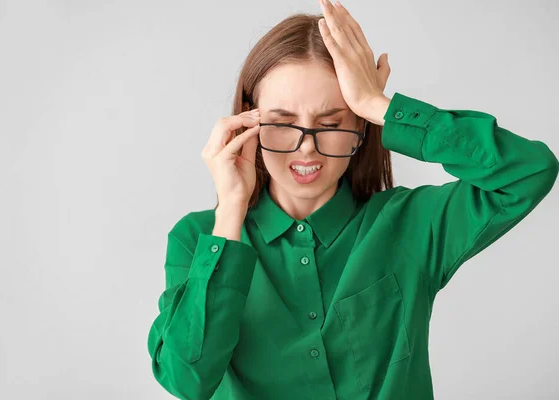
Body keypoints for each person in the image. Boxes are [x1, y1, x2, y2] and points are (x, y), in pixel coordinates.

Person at [147, 1, 558, 399]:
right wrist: (230, 213)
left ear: (360, 127)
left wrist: (380, 106)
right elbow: (187, 380)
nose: (306, 149)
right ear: (248, 121)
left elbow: (530, 171)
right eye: (282, 123)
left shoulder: (411, 224)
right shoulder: (198, 238)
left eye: (331, 123)